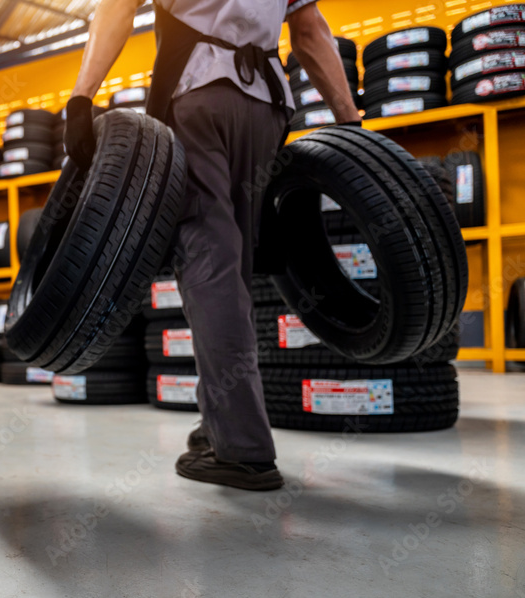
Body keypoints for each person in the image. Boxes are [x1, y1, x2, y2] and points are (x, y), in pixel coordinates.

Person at [64, 0, 361, 491]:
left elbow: (116, 8)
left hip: (198, 93)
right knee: (233, 271)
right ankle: (222, 421)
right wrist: (350, 125)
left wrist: (82, 96)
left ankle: (242, 451)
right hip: (265, 107)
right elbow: (309, 32)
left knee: (210, 270)